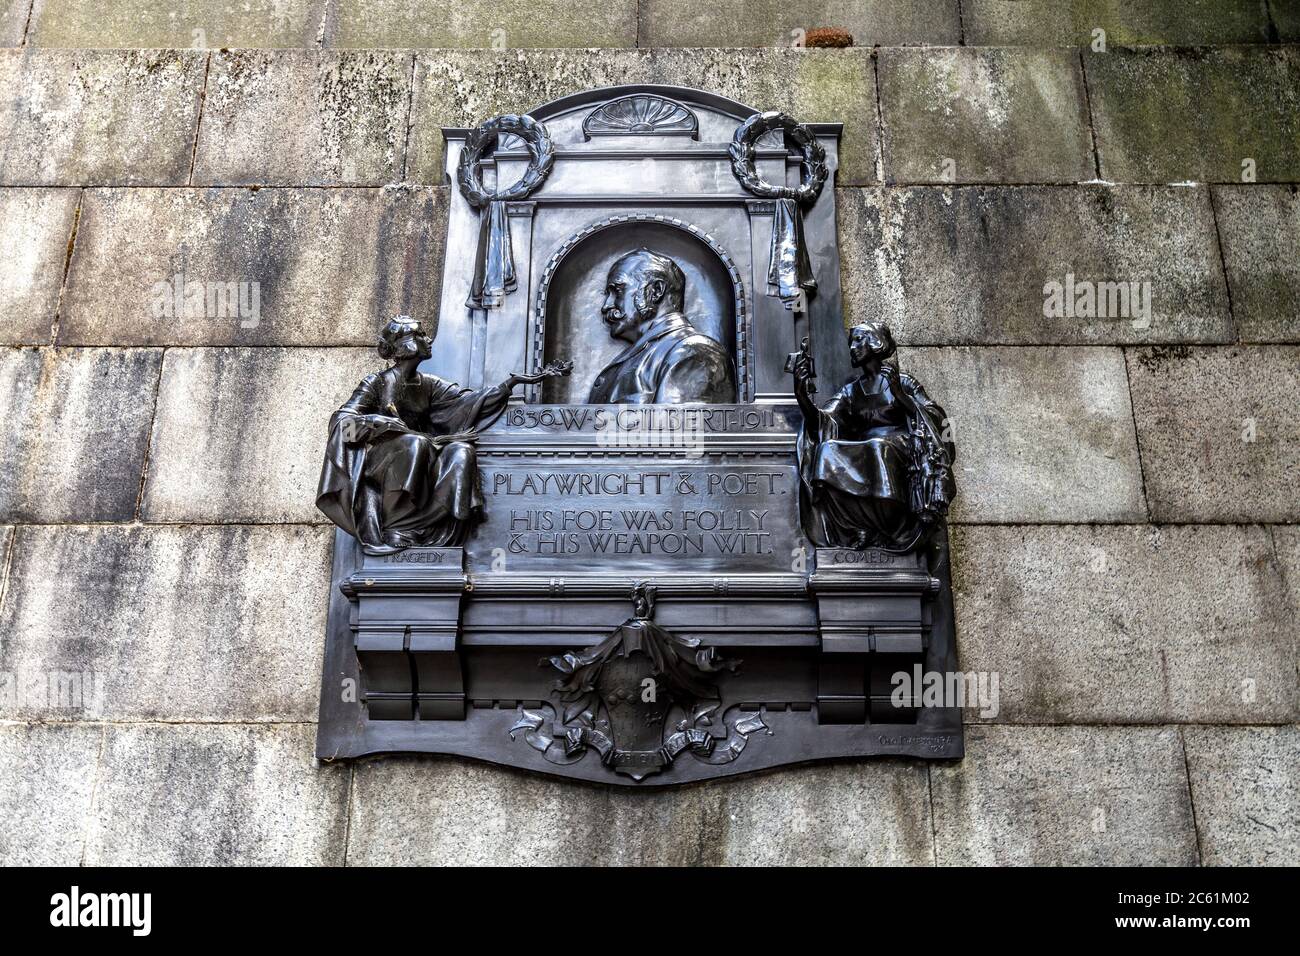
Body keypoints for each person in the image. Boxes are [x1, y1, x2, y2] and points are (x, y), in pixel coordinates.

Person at [317, 316, 570, 553]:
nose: (428, 341)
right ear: (406, 345)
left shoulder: (428, 384)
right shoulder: (377, 383)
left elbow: (465, 403)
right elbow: (344, 423)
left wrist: (509, 385)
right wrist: (380, 423)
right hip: (384, 464)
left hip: (423, 457)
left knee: (461, 452)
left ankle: (427, 530)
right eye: (421, 336)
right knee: (414, 443)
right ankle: (396, 525)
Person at [790, 319, 955, 550]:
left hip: (900, 445)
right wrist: (801, 394)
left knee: (879, 446)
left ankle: (893, 526)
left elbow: (936, 416)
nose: (852, 348)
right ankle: (861, 524)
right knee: (828, 450)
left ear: (875, 342)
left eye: (858, 340)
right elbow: (822, 421)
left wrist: (901, 396)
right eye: (851, 342)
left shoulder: (903, 382)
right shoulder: (851, 391)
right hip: (867, 447)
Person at [586, 248, 736, 404]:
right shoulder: (637, 356)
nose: (606, 305)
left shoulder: (695, 353)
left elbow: (685, 426)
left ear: (656, 291)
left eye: (617, 291)